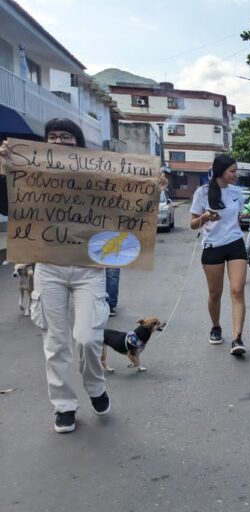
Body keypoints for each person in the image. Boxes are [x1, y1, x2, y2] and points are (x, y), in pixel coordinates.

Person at [0, 118, 165, 433]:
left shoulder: (97, 175)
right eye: (52, 136)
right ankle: (63, 406)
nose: (59, 141)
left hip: (89, 269)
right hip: (48, 267)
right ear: (44, 143)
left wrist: (152, 189)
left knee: (88, 338)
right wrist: (5, 166)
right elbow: (7, 206)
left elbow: (127, 210)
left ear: (77, 144)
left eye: (66, 136)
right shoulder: (29, 174)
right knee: (54, 342)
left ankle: (95, 386)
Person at [190, 155, 248, 356]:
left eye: (236, 170)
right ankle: (216, 326)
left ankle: (237, 338)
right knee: (215, 293)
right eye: (232, 171)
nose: (235, 174)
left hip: (235, 244)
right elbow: (192, 224)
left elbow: (238, 218)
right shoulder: (202, 193)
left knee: (237, 290)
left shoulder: (237, 192)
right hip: (212, 246)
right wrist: (205, 217)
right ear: (221, 172)